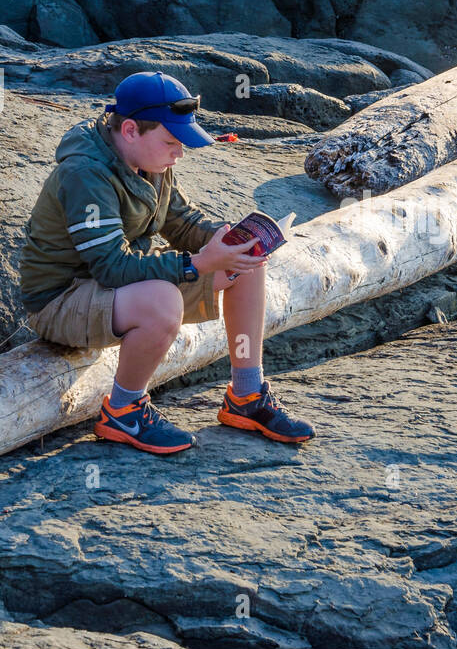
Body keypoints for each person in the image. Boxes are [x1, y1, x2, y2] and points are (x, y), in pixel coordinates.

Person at [17, 70, 314, 454]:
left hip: (117, 292)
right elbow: (111, 266)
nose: (180, 152)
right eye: (172, 141)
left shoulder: (153, 164)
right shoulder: (84, 173)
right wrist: (196, 265)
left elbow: (183, 223)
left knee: (245, 264)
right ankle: (124, 410)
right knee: (164, 300)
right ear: (129, 131)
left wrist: (227, 241)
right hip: (62, 301)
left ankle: (247, 395)